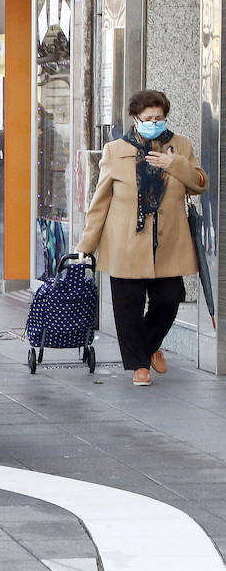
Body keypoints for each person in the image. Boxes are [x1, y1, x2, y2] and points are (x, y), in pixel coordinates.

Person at [77, 89, 208, 386]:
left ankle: (149, 346)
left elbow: (200, 184)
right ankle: (140, 367)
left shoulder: (180, 146)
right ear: (136, 118)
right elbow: (100, 202)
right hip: (126, 242)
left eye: (159, 118)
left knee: (169, 298)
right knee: (128, 307)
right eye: (148, 118)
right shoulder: (115, 150)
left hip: (168, 242)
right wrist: (86, 245)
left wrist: (173, 165)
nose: (154, 122)